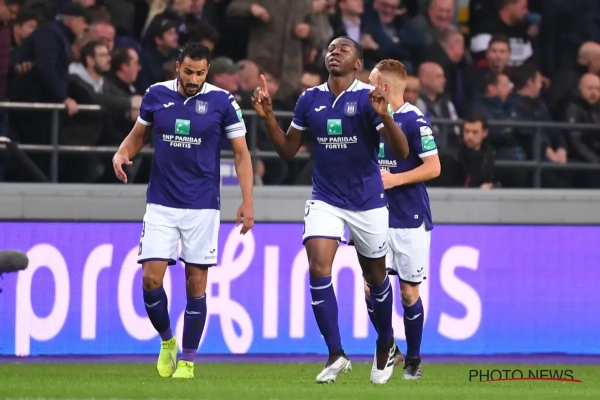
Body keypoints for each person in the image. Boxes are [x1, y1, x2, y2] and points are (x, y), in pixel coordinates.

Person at [252, 36, 410, 385]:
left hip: (367, 201)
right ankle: (336, 353)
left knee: (376, 278)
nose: (335, 52)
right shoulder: (309, 99)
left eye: (344, 49)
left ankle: (386, 343)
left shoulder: (369, 98)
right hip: (325, 198)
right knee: (318, 267)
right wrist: (267, 117)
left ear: (358, 64)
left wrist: (385, 115)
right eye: (331, 49)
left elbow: (401, 152)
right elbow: (288, 150)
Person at [111, 42, 254, 379]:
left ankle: (187, 361)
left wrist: (247, 200)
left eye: (200, 73)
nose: (193, 79)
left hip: (202, 206)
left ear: (207, 71)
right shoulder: (156, 94)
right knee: (150, 279)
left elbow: (241, 153)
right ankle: (167, 341)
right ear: (178, 67)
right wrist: (122, 153)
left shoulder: (223, 102)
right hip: (161, 202)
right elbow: (138, 135)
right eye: (188, 72)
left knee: (196, 282)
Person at [367, 59, 441, 380]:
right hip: (374, 216)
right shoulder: (369, 118)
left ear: (385, 87)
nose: (366, 89)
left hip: (409, 218)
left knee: (409, 293)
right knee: (371, 289)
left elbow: (434, 167)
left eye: (371, 83)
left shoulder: (414, 120)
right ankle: (390, 345)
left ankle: (413, 359)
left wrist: (395, 179)